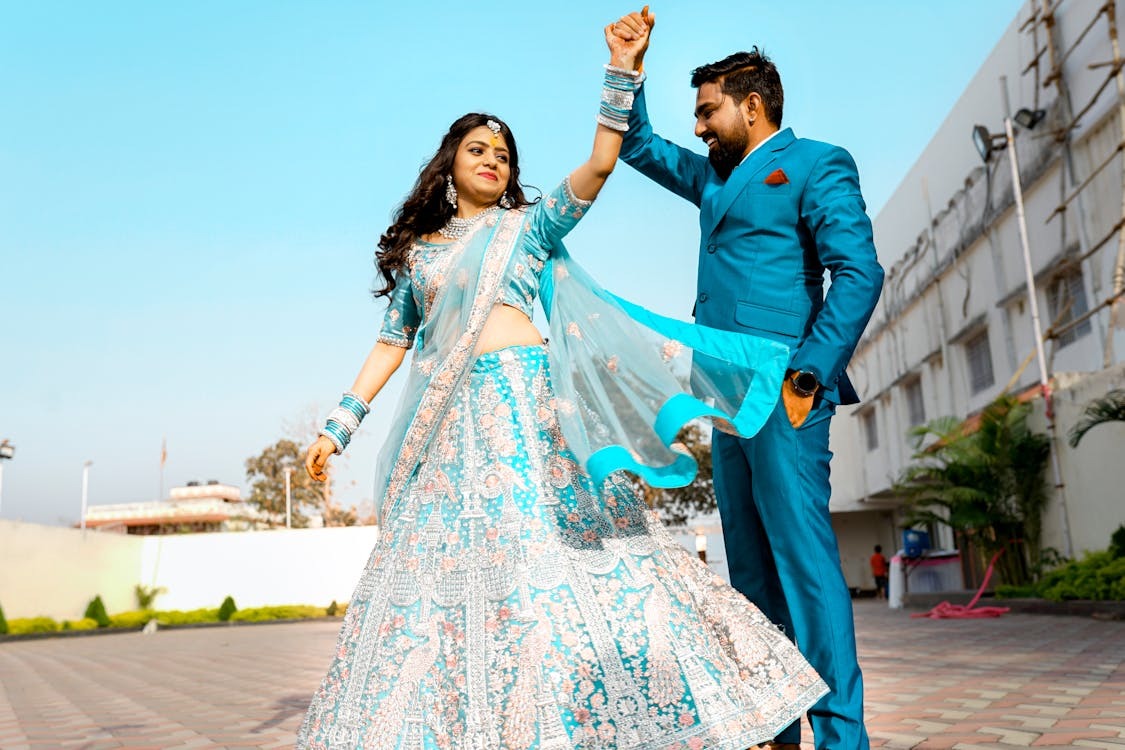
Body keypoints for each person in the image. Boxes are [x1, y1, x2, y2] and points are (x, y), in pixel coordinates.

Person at [296, 10, 828, 750]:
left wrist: (622, 69)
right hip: (451, 434)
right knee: (456, 587)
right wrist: (338, 426)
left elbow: (603, 165)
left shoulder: (531, 227)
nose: (493, 161)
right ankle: (481, 720)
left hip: (525, 412)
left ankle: (703, 699)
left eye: (504, 154)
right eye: (477, 150)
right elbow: (394, 341)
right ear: (447, 167)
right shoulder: (419, 257)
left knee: (579, 561)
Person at [611, 11, 885, 750]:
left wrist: (806, 374)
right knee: (750, 574)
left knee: (803, 566)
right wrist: (627, 68)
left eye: (706, 110)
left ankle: (839, 738)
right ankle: (771, 728)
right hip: (724, 397)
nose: (698, 127)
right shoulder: (713, 179)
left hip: (784, 389)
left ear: (751, 103)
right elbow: (634, 144)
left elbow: (858, 273)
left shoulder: (815, 163)